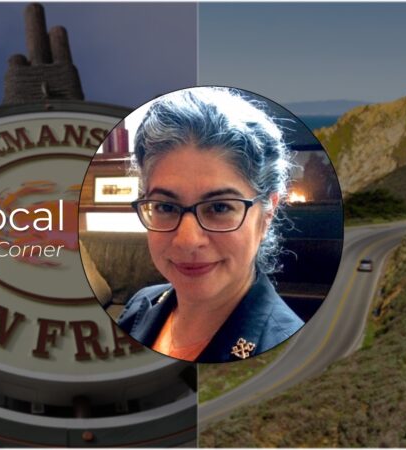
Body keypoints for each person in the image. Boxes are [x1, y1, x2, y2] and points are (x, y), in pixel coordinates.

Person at [118, 87, 304, 363]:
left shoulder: (288, 352)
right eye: (166, 207)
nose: (187, 240)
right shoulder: (140, 305)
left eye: (219, 208)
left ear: (267, 214)